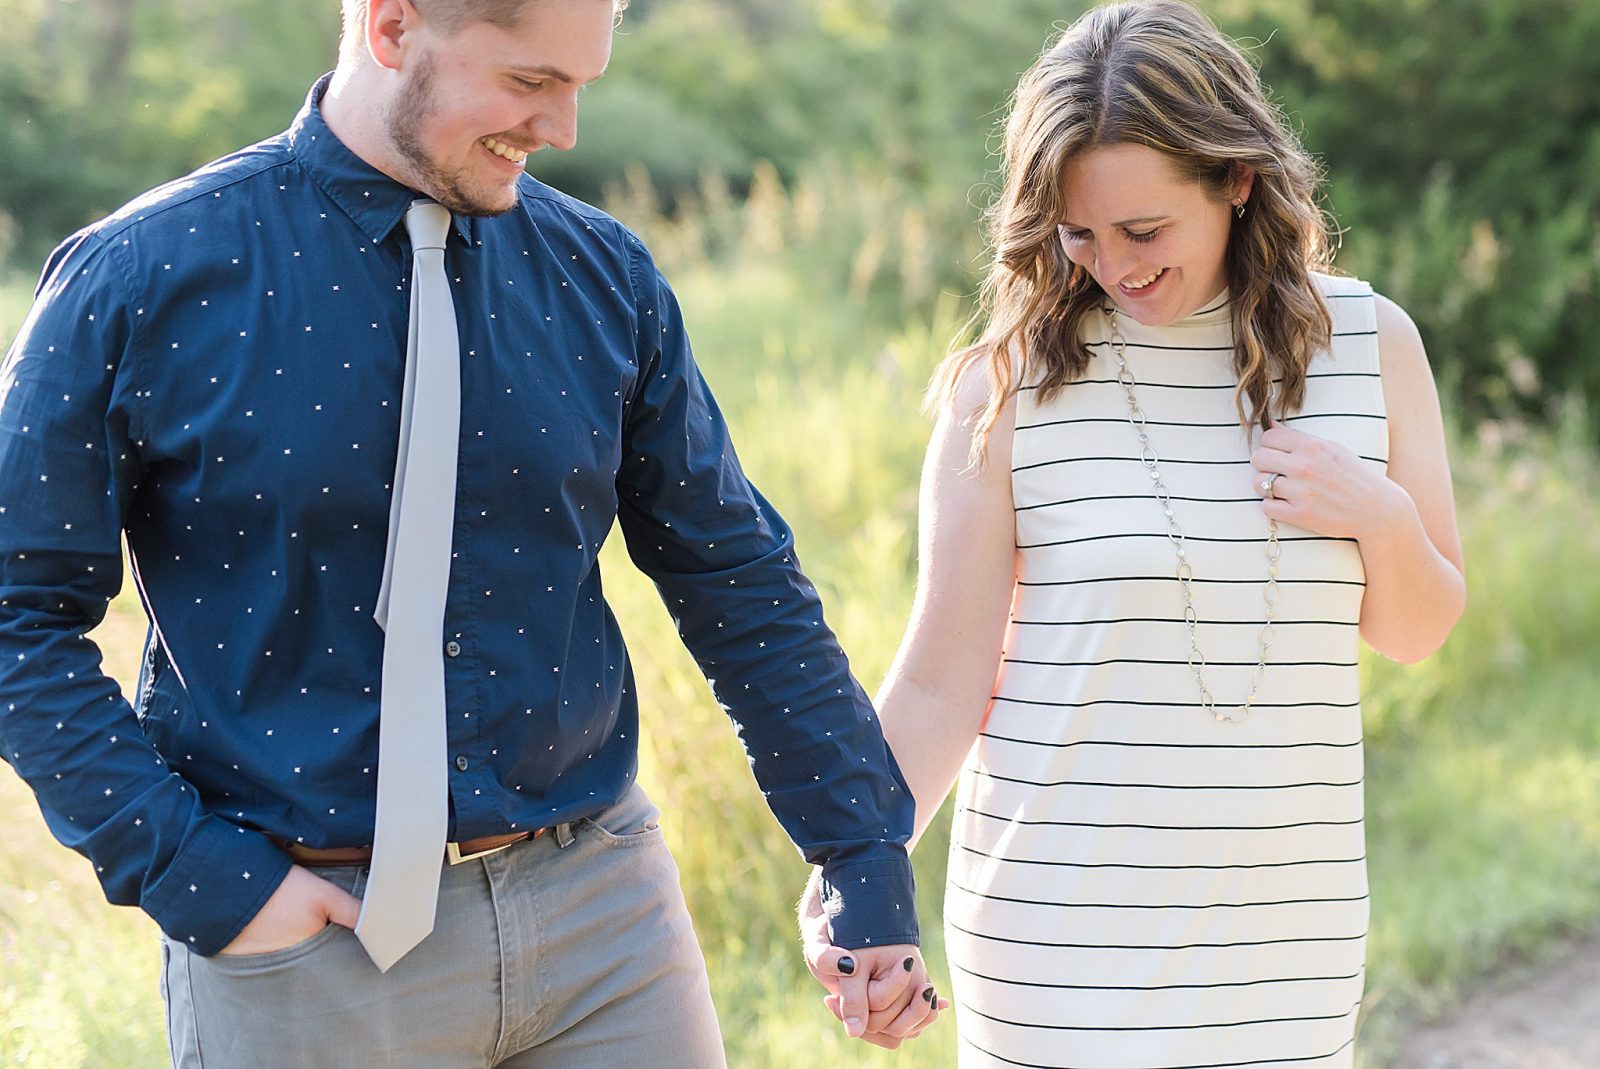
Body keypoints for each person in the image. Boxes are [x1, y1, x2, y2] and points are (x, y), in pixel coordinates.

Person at [0, 0, 940, 1064]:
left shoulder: (605, 278)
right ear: (394, 27)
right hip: (306, 951)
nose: (564, 128)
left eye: (581, 84)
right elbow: (14, 618)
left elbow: (740, 582)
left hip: (602, 922)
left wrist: (862, 853)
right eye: (531, 82)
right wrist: (197, 874)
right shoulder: (137, 280)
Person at [800, 0, 1467, 1063]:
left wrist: (1377, 517)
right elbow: (938, 682)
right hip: (1053, 947)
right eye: (1078, 235)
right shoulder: (1006, 385)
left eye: (1143, 230)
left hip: (1282, 951)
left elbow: (1421, 627)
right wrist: (856, 862)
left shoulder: (1371, 348)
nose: (1113, 264)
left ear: (1236, 178)